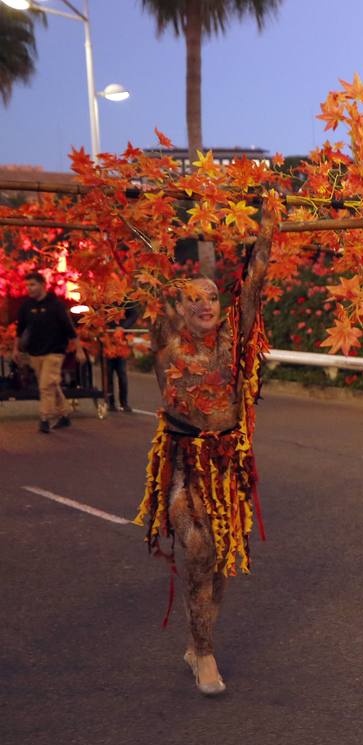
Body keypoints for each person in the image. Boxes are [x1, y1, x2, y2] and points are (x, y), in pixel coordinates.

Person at [134, 202, 280, 696]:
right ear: (177, 306)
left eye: (212, 297)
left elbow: (256, 277)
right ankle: (206, 656)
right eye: (193, 298)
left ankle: (199, 643)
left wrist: (267, 221)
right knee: (197, 550)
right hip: (183, 463)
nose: (206, 305)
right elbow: (150, 278)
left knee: (219, 565)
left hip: (228, 466)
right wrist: (152, 226)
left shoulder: (233, 342)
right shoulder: (168, 347)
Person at [15, 272, 79, 433]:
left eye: (32, 285)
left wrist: (78, 350)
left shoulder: (55, 305)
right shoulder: (26, 306)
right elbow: (20, 330)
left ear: (43, 285)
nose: (29, 288)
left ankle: (45, 418)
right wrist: (16, 348)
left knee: (45, 386)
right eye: (27, 285)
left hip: (55, 352)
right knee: (51, 384)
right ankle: (65, 413)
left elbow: (69, 329)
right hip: (35, 353)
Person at [102, 325, 133, 412]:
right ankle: (110, 403)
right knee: (108, 377)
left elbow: (133, 314)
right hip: (107, 350)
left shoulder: (123, 314)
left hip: (121, 350)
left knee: (122, 376)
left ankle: (124, 403)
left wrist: (123, 325)